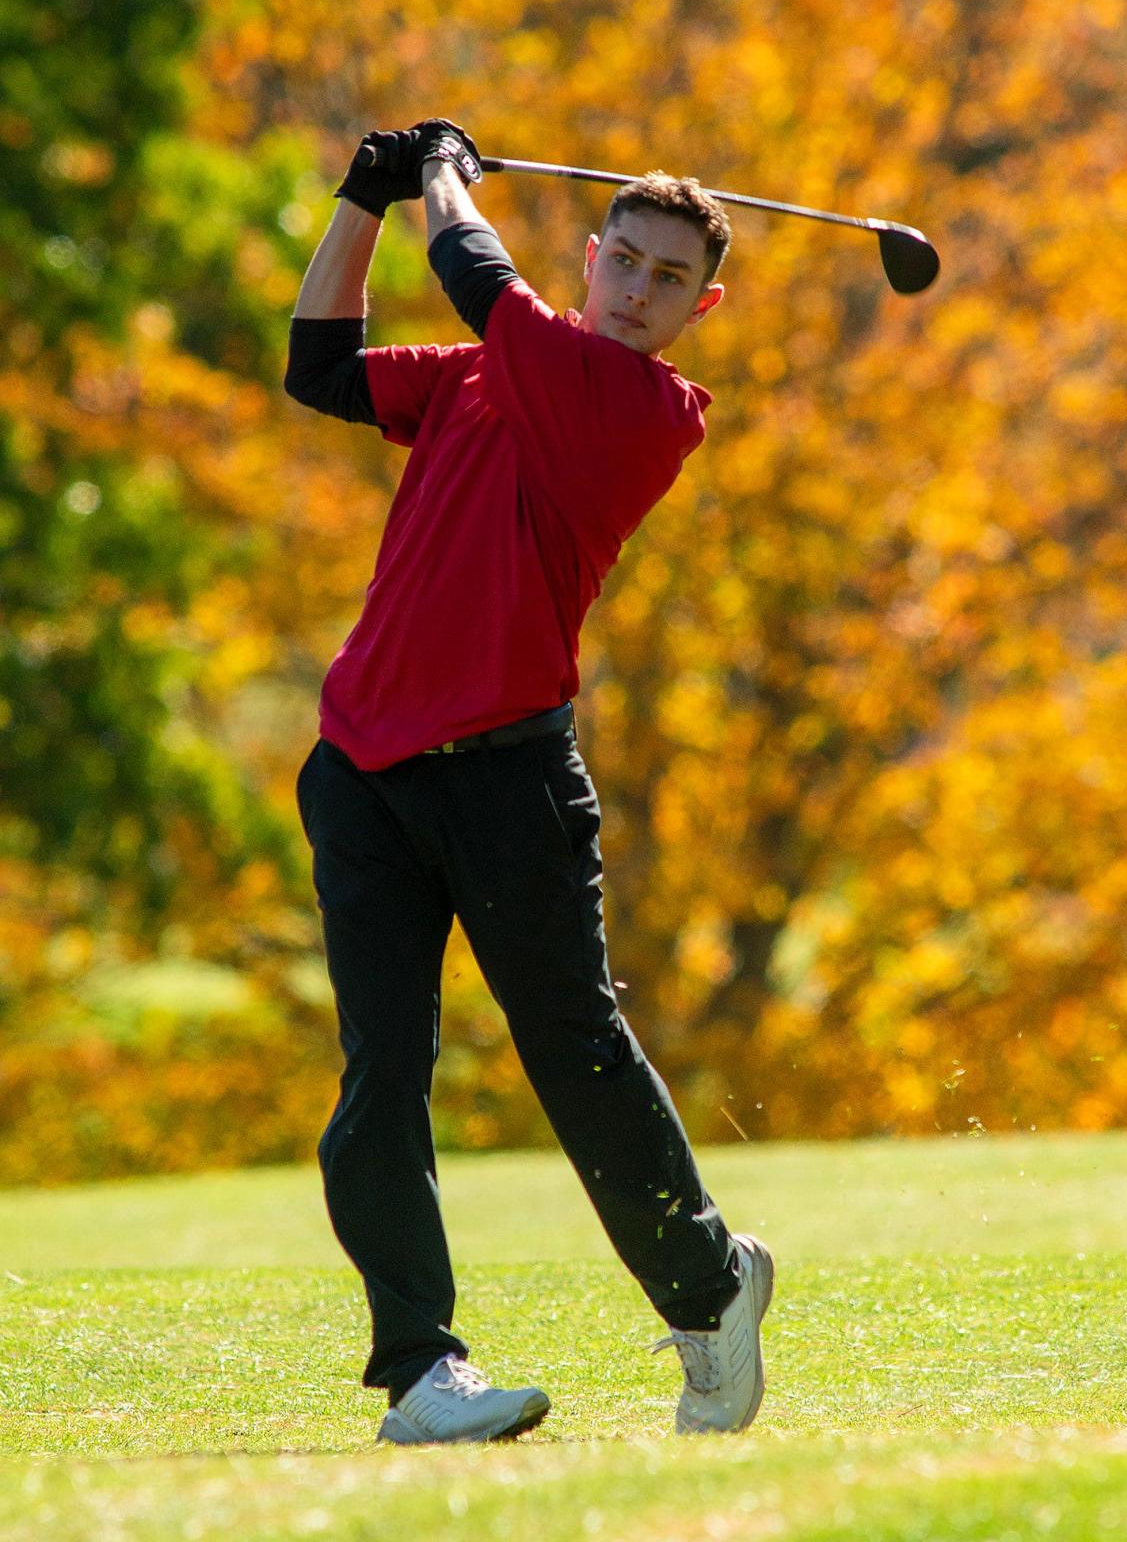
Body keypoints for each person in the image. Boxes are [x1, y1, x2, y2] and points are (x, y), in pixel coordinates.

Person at [284, 117, 773, 1446]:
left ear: (700, 307)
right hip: (367, 768)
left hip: (510, 781)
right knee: (382, 1073)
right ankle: (419, 1374)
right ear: (595, 253)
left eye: (670, 280)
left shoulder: (640, 407)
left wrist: (437, 173)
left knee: (575, 1054)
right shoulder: (494, 373)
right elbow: (319, 369)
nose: (639, 290)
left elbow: (480, 277)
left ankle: (708, 1287)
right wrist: (362, 198)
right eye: (625, 260)